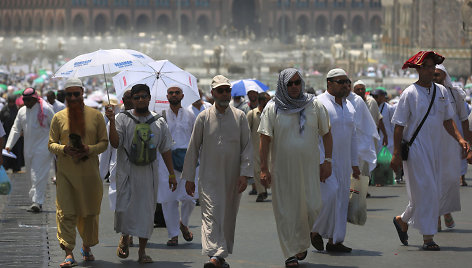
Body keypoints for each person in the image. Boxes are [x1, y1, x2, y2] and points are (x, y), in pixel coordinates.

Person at [391, 51, 469, 251]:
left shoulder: (441, 92)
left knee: (425, 192)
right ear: (418, 69)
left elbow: (447, 120)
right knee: (429, 191)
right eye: (426, 66)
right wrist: (396, 154)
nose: (430, 70)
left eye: (432, 66)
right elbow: (398, 126)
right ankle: (428, 237)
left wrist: (460, 139)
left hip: (435, 149)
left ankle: (403, 220)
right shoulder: (409, 93)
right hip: (415, 148)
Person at [258, 68, 332, 267]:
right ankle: (289, 253)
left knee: (313, 206)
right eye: (289, 83)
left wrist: (328, 161)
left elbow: (326, 133)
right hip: (282, 170)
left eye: (297, 82)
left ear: (302, 83)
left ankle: (300, 242)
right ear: (282, 85)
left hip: (309, 169)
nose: (294, 87)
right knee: (286, 212)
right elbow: (264, 139)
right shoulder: (273, 108)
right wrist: (263, 168)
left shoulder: (314, 104)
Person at [181, 75, 253, 268]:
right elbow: (193, 147)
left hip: (232, 177)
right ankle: (215, 255)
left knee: (228, 215)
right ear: (212, 93)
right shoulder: (203, 117)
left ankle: (219, 257)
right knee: (211, 214)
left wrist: (245, 174)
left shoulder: (240, 117)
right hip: (209, 176)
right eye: (220, 91)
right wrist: (189, 178)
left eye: (227, 91)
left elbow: (247, 148)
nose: (224, 94)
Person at [107, 84, 176, 264]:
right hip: (127, 171)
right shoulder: (122, 118)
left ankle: (142, 251)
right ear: (132, 100)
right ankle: (125, 236)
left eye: (143, 97)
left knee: (146, 211)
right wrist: (112, 122)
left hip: (149, 173)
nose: (140, 100)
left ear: (149, 98)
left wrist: (171, 174)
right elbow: (115, 143)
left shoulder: (158, 121)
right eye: (136, 97)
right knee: (125, 207)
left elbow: (166, 149)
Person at [48, 78, 109, 267]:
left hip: (90, 175)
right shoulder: (58, 117)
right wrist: (64, 149)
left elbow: (104, 143)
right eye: (70, 94)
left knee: (89, 213)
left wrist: (88, 149)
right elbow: (51, 144)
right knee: (66, 213)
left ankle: (86, 246)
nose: (73, 97)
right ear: (65, 96)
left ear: (83, 93)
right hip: (66, 174)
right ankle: (68, 253)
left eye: (77, 93)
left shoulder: (96, 116)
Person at [311, 68, 360, 253]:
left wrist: (355, 163)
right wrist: (323, 161)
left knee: (341, 201)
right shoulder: (319, 104)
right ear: (329, 83)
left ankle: (335, 241)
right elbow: (314, 136)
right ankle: (314, 230)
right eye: (341, 82)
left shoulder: (349, 106)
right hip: (325, 161)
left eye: (347, 82)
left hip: (345, 162)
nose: (346, 85)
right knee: (329, 195)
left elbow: (353, 136)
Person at [158, 86, 197, 247]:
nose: (174, 95)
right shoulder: (162, 116)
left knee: (190, 198)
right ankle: (173, 234)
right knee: (169, 200)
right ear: (167, 96)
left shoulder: (189, 114)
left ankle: (184, 223)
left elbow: (195, 137)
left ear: (182, 95)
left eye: (177, 93)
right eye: (171, 93)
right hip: (167, 162)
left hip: (187, 160)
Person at [434, 64, 470, 231]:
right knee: (432, 181)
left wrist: (468, 146)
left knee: (449, 180)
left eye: (438, 74)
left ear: (445, 76)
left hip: (452, 144)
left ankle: (446, 210)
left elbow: (464, 120)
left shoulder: (455, 94)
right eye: (432, 74)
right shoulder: (425, 92)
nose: (435, 78)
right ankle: (436, 216)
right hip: (431, 144)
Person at [6, 88, 54, 213]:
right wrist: (9, 146)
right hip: (28, 148)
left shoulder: (46, 110)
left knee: (38, 174)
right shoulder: (21, 111)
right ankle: (36, 200)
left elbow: (56, 127)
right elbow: (16, 129)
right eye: (24, 100)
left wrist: (57, 146)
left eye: (28, 100)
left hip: (44, 148)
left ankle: (37, 202)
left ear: (34, 99)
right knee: (31, 175)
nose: (25, 102)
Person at [99, 90, 133, 211]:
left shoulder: (147, 120)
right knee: (120, 207)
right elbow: (106, 150)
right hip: (118, 168)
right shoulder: (115, 120)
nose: (130, 100)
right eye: (127, 98)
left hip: (139, 169)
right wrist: (100, 175)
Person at [247, 92, 271, 202]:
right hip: (256, 148)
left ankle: (269, 187)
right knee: (257, 171)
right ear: (261, 102)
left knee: (270, 169)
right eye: (267, 100)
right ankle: (261, 192)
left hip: (270, 147)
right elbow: (246, 131)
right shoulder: (252, 114)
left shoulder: (272, 113)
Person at [0, 95, 24, 173]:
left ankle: (16, 168)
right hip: (6, 134)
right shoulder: (4, 109)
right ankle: (6, 167)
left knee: (17, 151)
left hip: (16, 134)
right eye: (10, 102)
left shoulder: (17, 109)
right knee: (7, 151)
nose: (11, 104)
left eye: (12, 102)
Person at [371, 88, 395, 154]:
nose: (374, 98)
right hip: (374, 139)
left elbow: (393, 124)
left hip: (388, 140)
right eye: (372, 96)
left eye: (376, 96)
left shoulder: (389, 108)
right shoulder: (371, 106)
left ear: (382, 97)